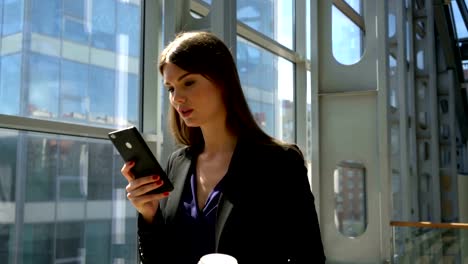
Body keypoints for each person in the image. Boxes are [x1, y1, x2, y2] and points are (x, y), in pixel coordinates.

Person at [121, 30, 326, 264]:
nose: (177, 97)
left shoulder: (279, 162)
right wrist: (149, 216)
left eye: (188, 82)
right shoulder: (176, 164)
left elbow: (310, 256)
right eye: (170, 88)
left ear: (222, 81)